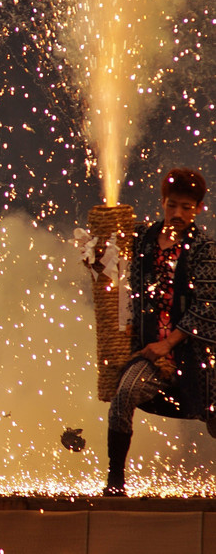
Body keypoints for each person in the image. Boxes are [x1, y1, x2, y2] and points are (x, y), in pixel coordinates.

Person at [105, 168, 216, 495]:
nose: (178, 213)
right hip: (150, 353)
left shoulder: (204, 247)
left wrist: (169, 342)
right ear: (162, 203)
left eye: (186, 207)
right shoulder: (142, 239)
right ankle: (114, 482)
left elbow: (208, 306)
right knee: (125, 393)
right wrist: (98, 251)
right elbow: (108, 256)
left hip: (195, 354)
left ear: (198, 208)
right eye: (172, 206)